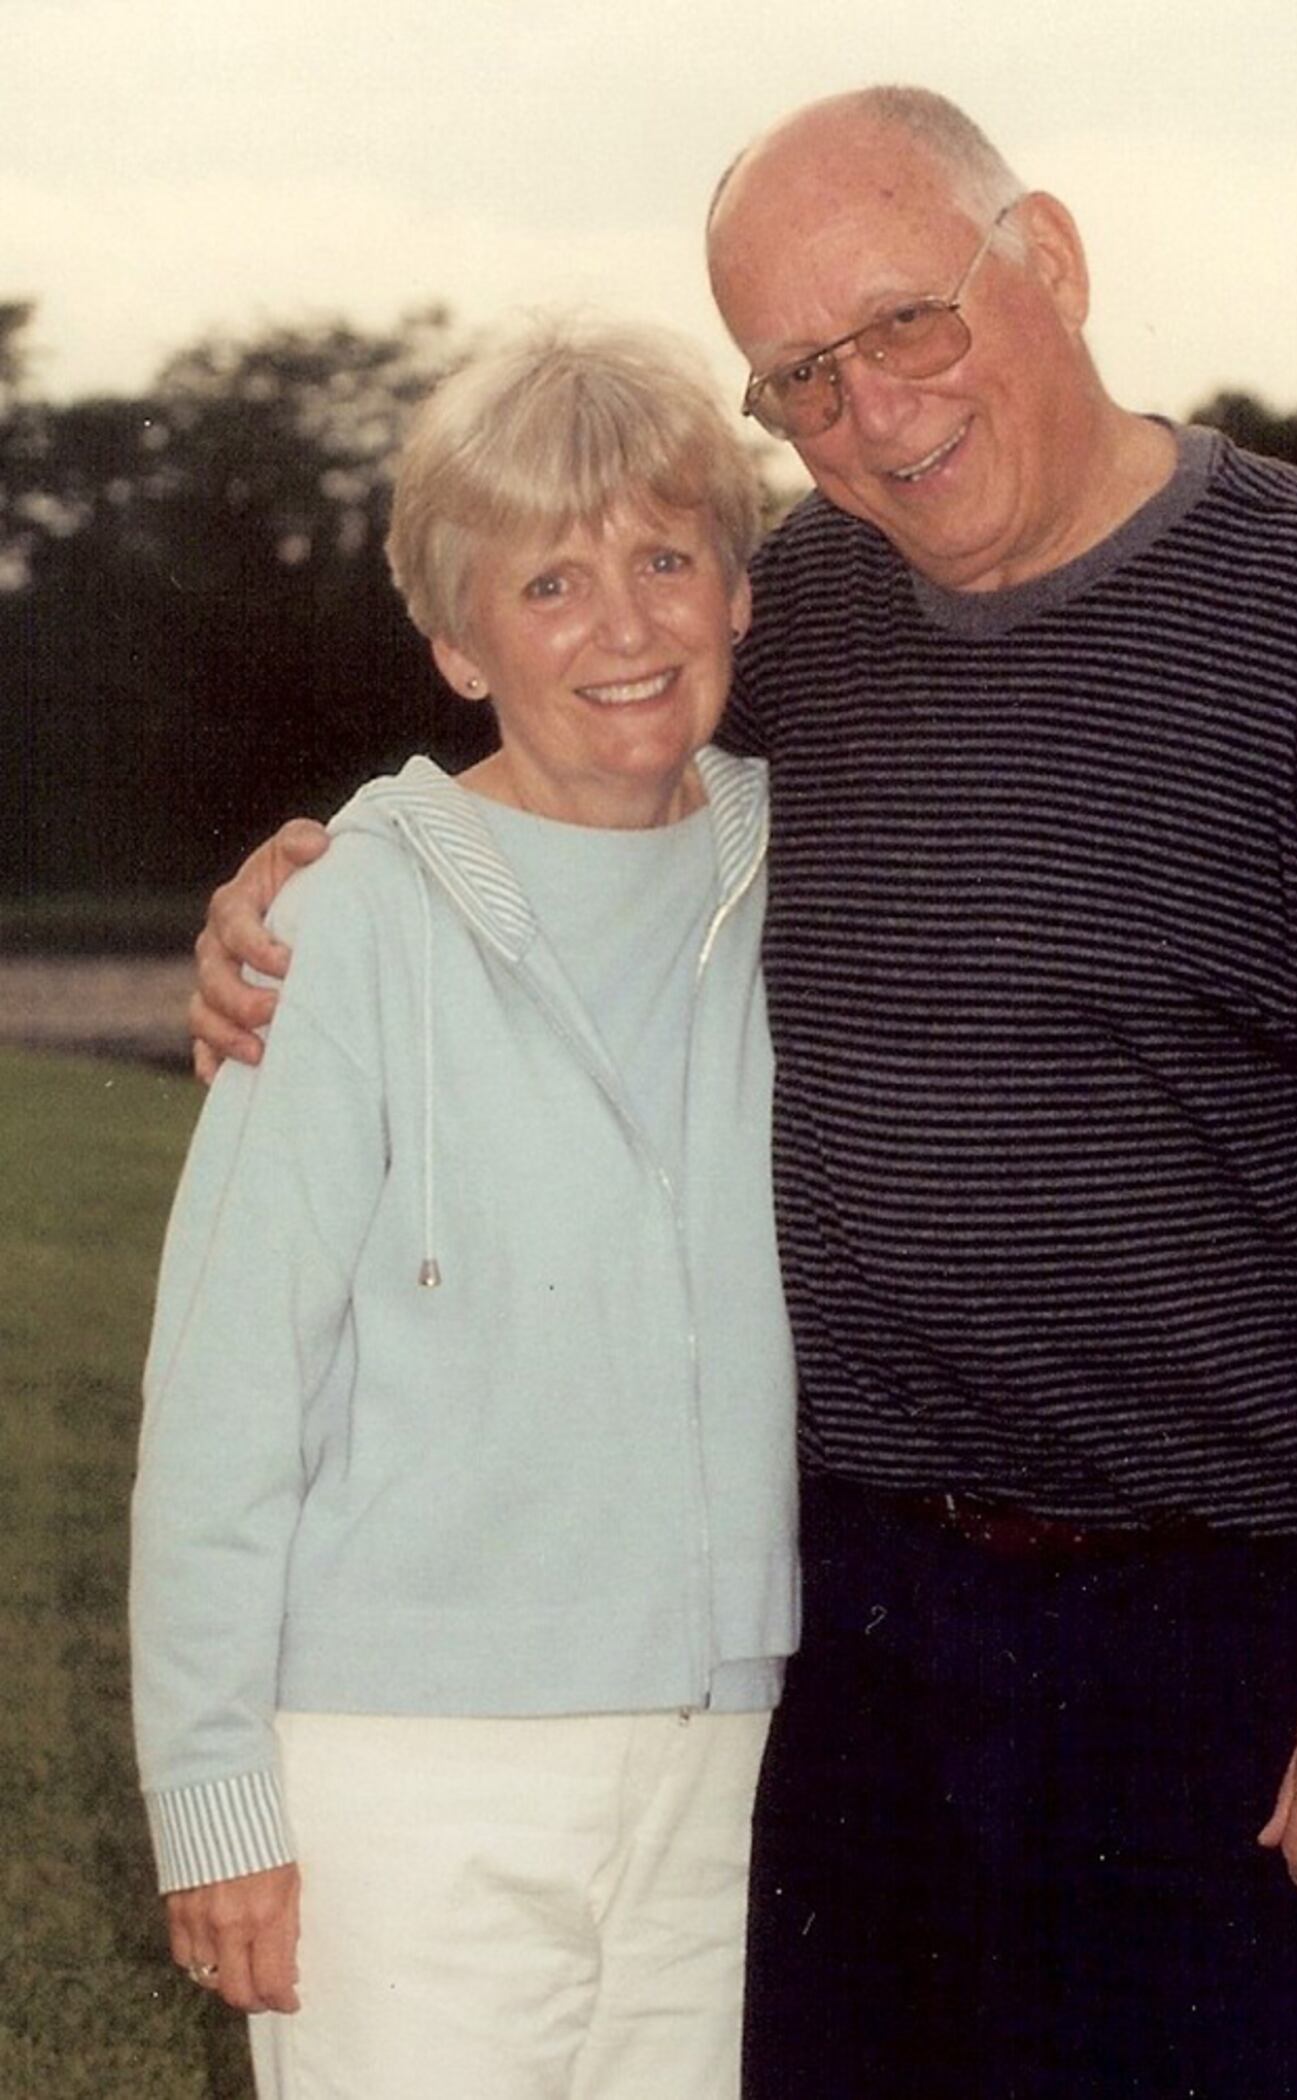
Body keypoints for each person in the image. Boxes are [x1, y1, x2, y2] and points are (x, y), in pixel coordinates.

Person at [188, 86, 1297, 2100]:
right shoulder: (792, 620)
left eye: (905, 322)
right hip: (860, 1651)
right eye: (798, 378)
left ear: (1055, 261)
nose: (867, 414)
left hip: (1255, 1637)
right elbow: (555, 775)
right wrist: (295, 891)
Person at [131, 318, 797, 2100]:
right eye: (552, 581)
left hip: (731, 1755)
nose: (627, 625)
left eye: (667, 559)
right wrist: (214, 1791)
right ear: (454, 638)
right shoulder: (344, 924)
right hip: (405, 1770)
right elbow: (223, 1397)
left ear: (743, 592)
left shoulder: (812, 880)